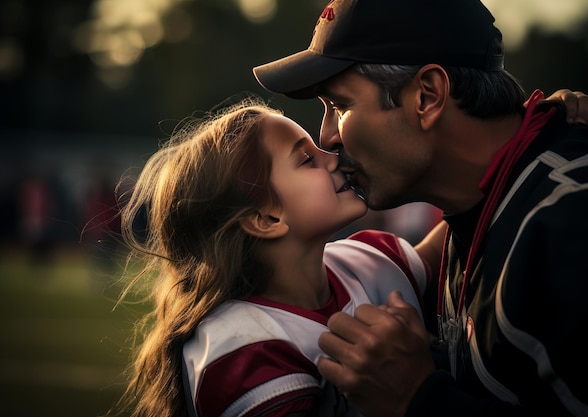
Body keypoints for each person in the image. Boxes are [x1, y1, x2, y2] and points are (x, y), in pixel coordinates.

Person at [252, 0, 588, 416]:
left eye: (340, 106)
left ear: (427, 96)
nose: (328, 137)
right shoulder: (478, 212)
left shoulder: (581, 217)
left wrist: (418, 399)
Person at [112, 96, 449, 417]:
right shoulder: (244, 352)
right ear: (265, 218)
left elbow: (475, 221)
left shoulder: (366, 259)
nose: (333, 156)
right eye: (307, 159)